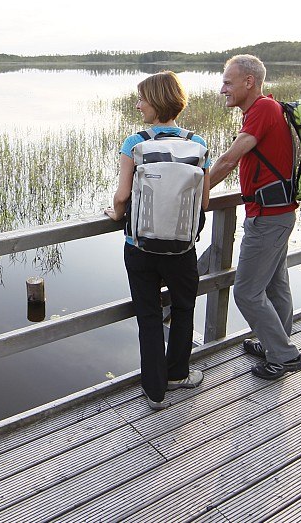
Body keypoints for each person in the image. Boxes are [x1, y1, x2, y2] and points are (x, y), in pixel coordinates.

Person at [104, 71, 211, 410]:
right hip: (182, 248)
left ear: (157, 101)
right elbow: (204, 202)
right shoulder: (198, 144)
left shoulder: (134, 143)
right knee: (183, 309)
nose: (138, 106)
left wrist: (115, 213)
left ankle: (154, 391)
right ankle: (178, 374)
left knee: (148, 316)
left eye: (141, 100)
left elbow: (122, 197)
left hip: (141, 248)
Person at [208, 54, 301, 380]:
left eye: (227, 82)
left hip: (268, 218)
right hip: (276, 214)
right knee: (276, 286)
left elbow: (228, 160)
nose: (223, 89)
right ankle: (274, 344)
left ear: (248, 82)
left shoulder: (263, 109)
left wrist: (195, 194)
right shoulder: (266, 109)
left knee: (247, 292)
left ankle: (284, 355)